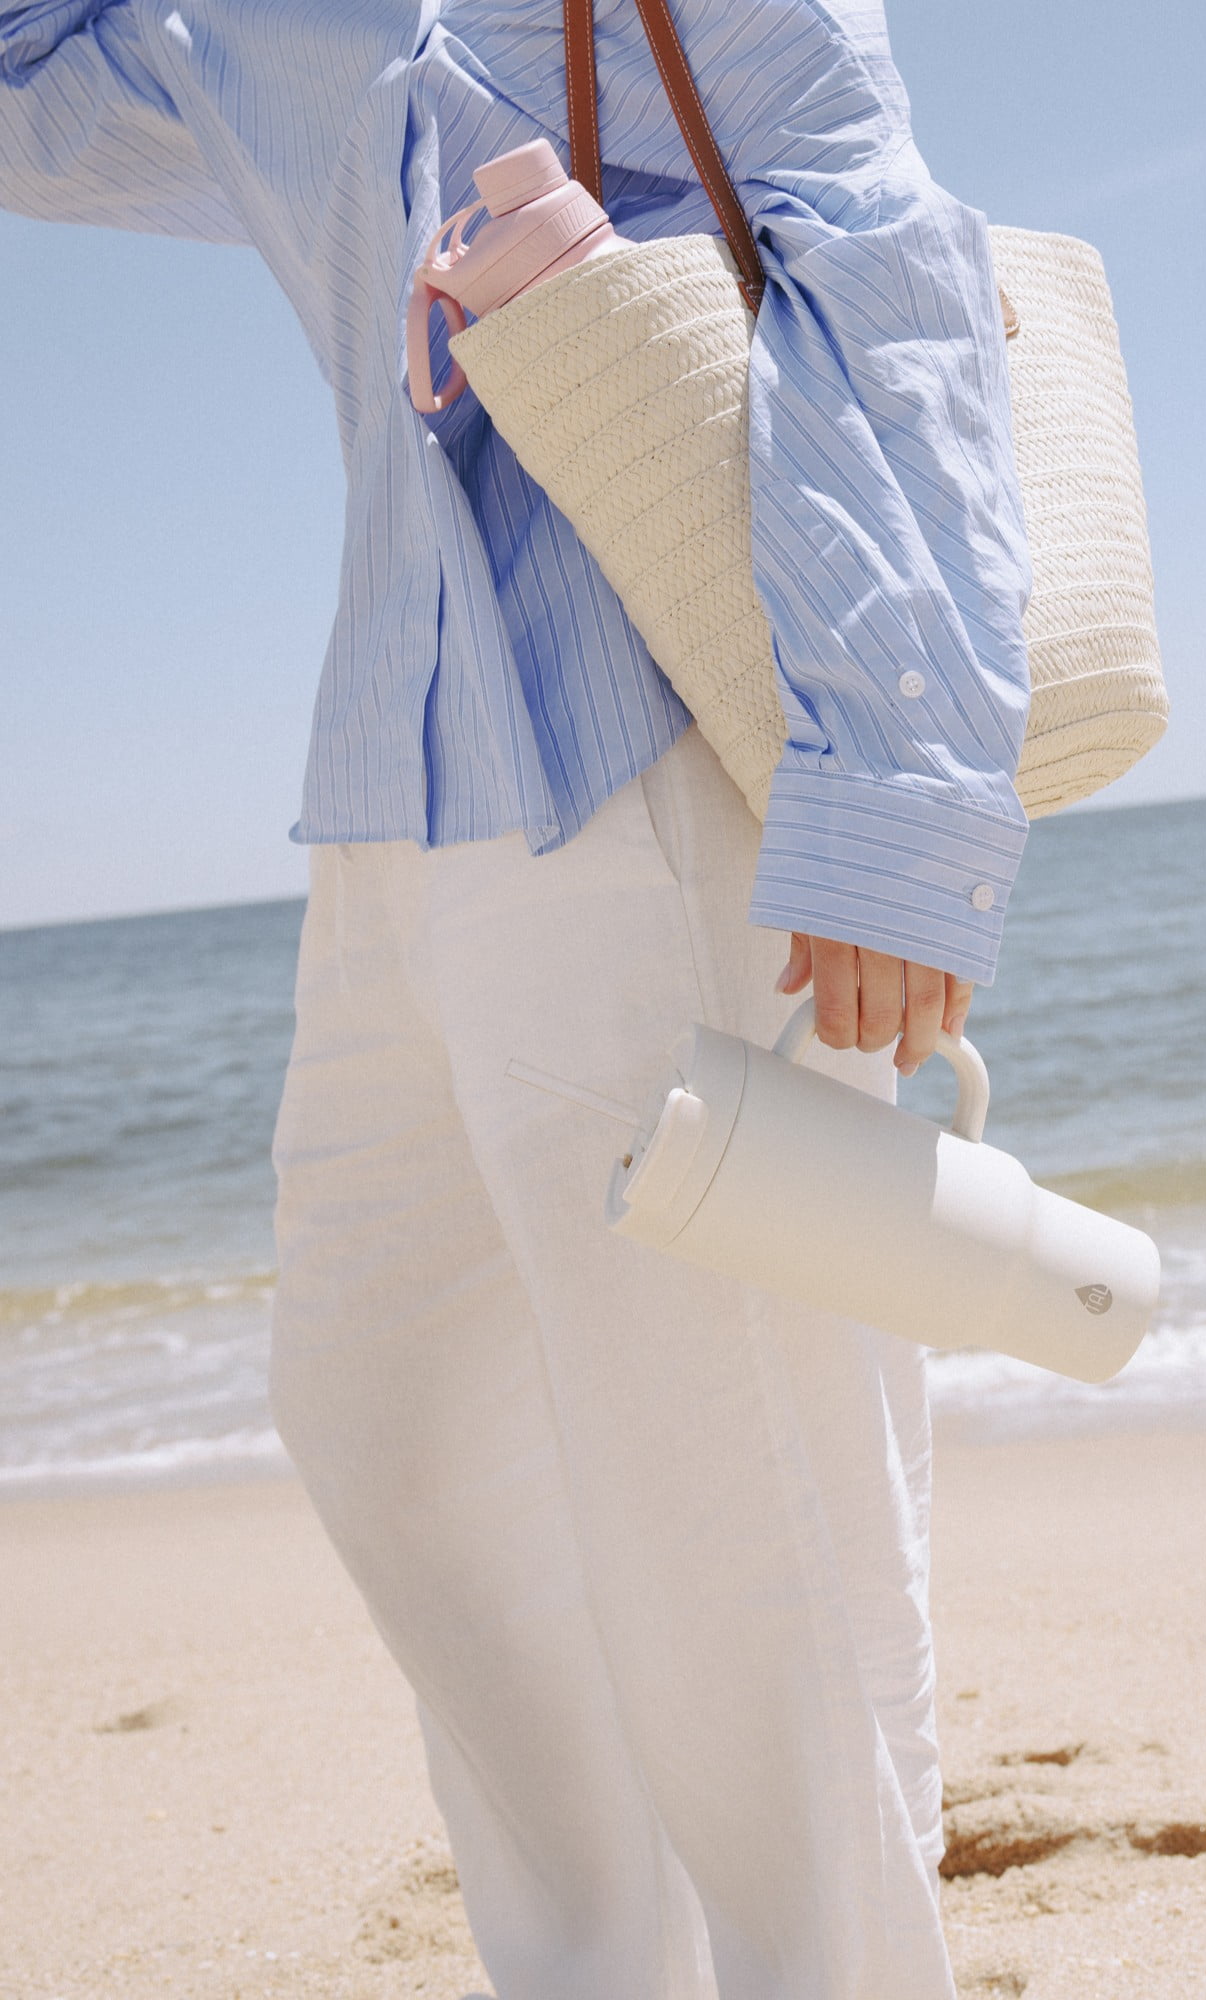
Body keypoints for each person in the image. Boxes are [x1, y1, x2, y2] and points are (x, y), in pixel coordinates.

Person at [0, 1, 1031, 1993]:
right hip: (392, 795)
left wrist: (902, 788)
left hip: (657, 746)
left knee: (743, 1510)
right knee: (387, 1428)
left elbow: (871, 241)